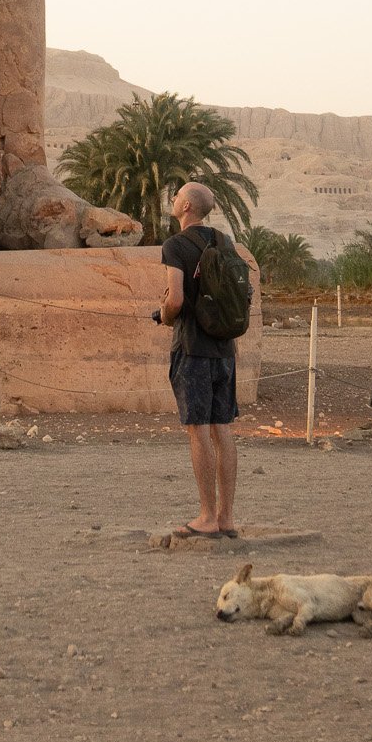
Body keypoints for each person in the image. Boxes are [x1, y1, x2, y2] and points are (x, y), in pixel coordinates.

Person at [159, 181, 238, 539]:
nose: (173, 199)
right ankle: (226, 518)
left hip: (193, 349)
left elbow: (175, 299)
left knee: (199, 431)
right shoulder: (225, 241)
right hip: (225, 349)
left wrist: (164, 314)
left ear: (187, 206)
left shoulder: (175, 245)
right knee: (223, 430)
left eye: (177, 195)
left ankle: (206, 516)